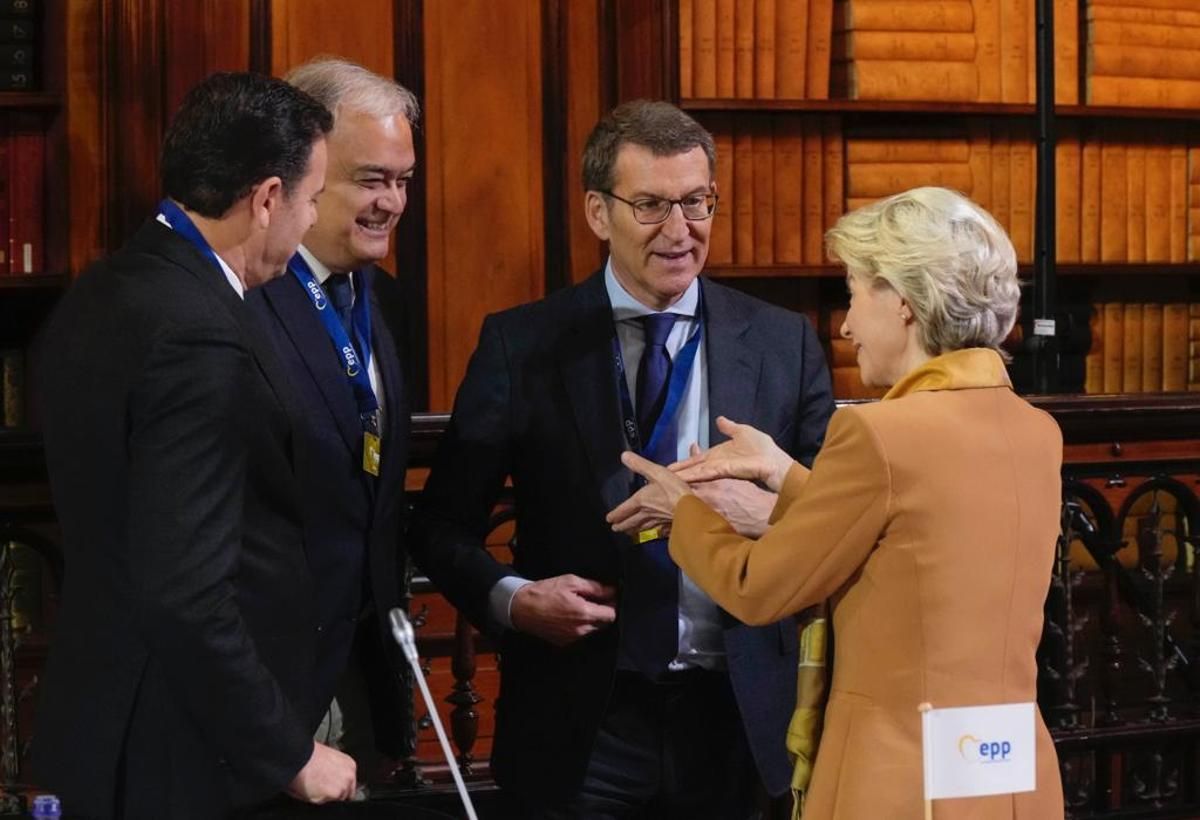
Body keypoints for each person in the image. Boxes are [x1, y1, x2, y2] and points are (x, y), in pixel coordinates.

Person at [413, 100, 835, 818]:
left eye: (698, 202)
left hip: (737, 715)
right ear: (598, 213)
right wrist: (516, 602)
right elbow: (441, 529)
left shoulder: (782, 342)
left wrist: (767, 512)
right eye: (651, 205)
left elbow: (834, 520)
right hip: (582, 719)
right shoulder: (523, 346)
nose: (680, 230)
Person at [610, 186, 1066, 819]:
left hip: (898, 779)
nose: (846, 323)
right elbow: (912, 535)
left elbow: (757, 587)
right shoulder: (1035, 431)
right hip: (1007, 774)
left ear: (902, 302)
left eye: (853, 292)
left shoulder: (880, 434)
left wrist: (683, 507)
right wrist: (786, 474)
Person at [30, 72, 357, 817]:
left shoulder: (105, 287)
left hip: (104, 723)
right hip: (178, 753)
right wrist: (290, 750)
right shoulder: (198, 333)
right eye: (310, 200)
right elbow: (185, 592)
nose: (309, 223)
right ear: (268, 198)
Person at [248, 58, 419, 787]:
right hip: (271, 692)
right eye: (371, 179)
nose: (392, 202)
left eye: (403, 180)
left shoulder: (381, 302)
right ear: (304, 171)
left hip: (361, 679)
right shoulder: (245, 303)